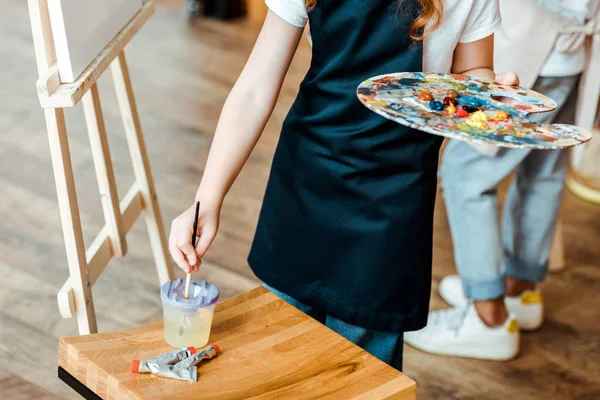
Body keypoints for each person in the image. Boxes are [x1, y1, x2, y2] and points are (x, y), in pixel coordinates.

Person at [169, 0, 517, 371]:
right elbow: (254, 88)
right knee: (277, 356)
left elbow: (471, 71)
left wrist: (488, 93)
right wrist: (207, 198)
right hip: (304, 186)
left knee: (359, 370)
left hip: (393, 205)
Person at [404, 0, 600, 361]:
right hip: (576, 46)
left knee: (467, 172)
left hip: (532, 44)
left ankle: (488, 318)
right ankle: (519, 290)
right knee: (543, 173)